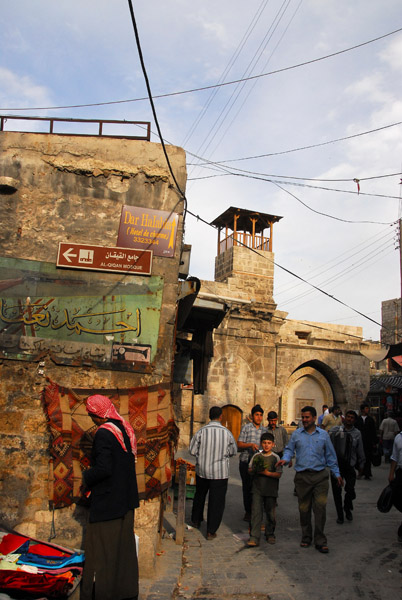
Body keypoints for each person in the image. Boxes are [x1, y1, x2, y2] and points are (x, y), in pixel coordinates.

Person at [81, 394, 139, 600]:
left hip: (109, 501)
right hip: (125, 499)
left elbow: (104, 468)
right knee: (122, 551)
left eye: (91, 415)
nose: (91, 419)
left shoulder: (104, 433)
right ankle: (125, 591)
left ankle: (102, 593)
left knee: (102, 552)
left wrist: (86, 476)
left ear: (97, 414)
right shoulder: (123, 428)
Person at [277, 405, 342, 554]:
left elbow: (331, 456)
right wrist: (285, 459)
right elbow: (289, 450)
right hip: (302, 477)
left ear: (314, 418)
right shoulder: (297, 434)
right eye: (303, 417)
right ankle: (306, 536)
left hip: (320, 476)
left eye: (307, 417)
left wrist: (336, 474)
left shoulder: (324, 435)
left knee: (320, 508)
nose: (304, 420)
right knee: (304, 509)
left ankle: (320, 540)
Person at [189, 406, 237, 540]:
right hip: (220, 473)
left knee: (200, 495)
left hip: (202, 471)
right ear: (221, 416)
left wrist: (203, 455)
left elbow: (192, 451)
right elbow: (233, 451)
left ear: (209, 416)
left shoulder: (201, 431)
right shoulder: (227, 433)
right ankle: (211, 530)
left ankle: (196, 520)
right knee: (217, 501)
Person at [329, 409, 365, 524]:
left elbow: (360, 450)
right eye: (348, 417)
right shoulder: (335, 431)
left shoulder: (357, 433)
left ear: (354, 420)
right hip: (337, 466)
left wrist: (361, 465)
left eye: (352, 417)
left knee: (350, 489)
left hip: (350, 466)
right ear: (345, 418)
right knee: (337, 492)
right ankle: (340, 515)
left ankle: (347, 507)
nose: (349, 419)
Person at [247, 432, 282, 547]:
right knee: (256, 512)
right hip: (257, 489)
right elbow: (250, 470)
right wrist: (254, 470)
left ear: (273, 444)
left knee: (270, 513)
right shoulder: (256, 456)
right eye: (264, 443)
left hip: (271, 490)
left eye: (269, 443)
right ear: (261, 444)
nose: (266, 445)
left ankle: (270, 533)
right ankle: (254, 536)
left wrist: (267, 473)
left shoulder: (275, 458)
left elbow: (278, 474)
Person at [237, 404, 267, 521]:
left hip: (259, 463)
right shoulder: (246, 428)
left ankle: (257, 511)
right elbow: (239, 444)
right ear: (252, 416)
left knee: (258, 488)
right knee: (247, 487)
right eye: (257, 415)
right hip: (245, 460)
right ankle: (248, 511)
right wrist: (250, 445)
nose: (259, 417)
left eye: (260, 415)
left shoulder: (264, 430)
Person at [356, 403, 378, 480]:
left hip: (368, 442)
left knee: (368, 458)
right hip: (360, 441)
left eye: (367, 408)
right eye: (366, 408)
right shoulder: (358, 419)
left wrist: (374, 442)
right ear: (362, 410)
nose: (367, 410)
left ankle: (367, 473)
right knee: (360, 458)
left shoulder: (370, 419)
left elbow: (373, 431)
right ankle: (360, 472)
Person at [388, 431, 402, 542]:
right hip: (401, 472)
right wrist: (391, 473)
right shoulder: (399, 437)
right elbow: (394, 457)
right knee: (397, 499)